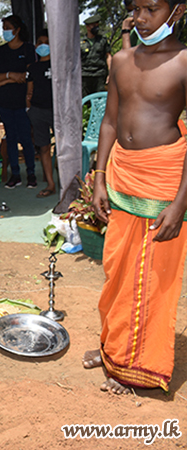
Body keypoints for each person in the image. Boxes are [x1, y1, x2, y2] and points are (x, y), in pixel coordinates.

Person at [84, 0, 187, 395]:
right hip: (122, 175)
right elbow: (110, 120)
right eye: (136, 8)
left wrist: (180, 203)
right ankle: (113, 348)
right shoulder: (123, 61)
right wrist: (99, 178)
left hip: (162, 181)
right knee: (118, 273)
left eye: (152, 9)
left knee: (151, 278)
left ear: (177, 11)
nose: (142, 18)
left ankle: (135, 368)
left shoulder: (182, 62)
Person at [0, 14, 37, 189]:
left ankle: (31, 173)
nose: (5, 31)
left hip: (23, 101)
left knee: (26, 139)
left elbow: (29, 76)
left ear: (17, 30)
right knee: (10, 138)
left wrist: (4, 80)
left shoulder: (28, 49)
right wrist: (9, 77)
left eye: (8, 28)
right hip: (5, 102)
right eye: (4, 28)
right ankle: (15, 174)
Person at [26, 30, 56, 198]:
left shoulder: (59, 65)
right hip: (37, 111)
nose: (43, 45)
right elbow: (29, 92)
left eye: (46, 42)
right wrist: (29, 109)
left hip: (57, 112)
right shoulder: (33, 68)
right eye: (40, 42)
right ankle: (51, 184)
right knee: (43, 147)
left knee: (63, 147)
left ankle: (69, 182)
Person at [81, 15, 112, 97]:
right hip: (85, 75)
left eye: (97, 25)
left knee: (100, 100)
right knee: (85, 100)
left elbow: (108, 56)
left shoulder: (103, 40)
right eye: (94, 26)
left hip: (99, 75)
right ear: (87, 27)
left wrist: (110, 72)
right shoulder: (80, 42)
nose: (96, 28)